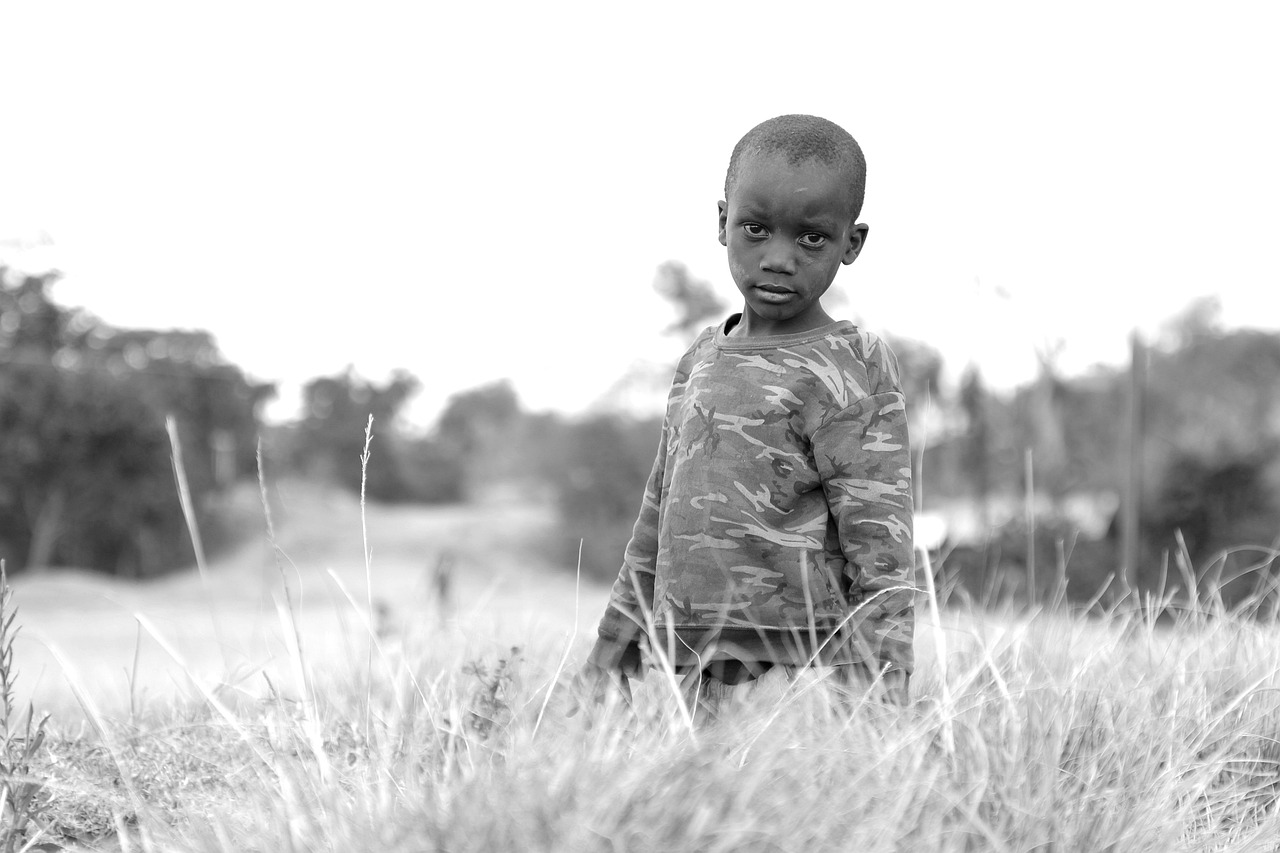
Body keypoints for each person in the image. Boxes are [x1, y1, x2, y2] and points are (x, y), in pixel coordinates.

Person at [576, 114, 916, 720]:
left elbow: (880, 541)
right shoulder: (700, 360)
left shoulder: (850, 366)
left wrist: (881, 688)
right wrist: (614, 643)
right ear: (722, 223)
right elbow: (660, 509)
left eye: (812, 238)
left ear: (852, 243)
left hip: (799, 672)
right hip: (685, 664)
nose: (779, 259)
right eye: (755, 230)